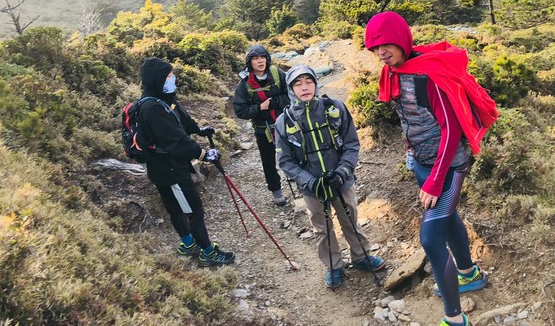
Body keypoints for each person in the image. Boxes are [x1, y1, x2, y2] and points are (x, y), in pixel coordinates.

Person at [364, 11, 498, 326]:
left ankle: (455, 319)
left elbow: (451, 130)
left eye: (385, 44)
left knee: (430, 238)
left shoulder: (427, 76)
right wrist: (413, 155)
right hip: (423, 162)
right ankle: (469, 274)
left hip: (447, 167)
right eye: (374, 47)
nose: (380, 52)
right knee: (448, 219)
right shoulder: (397, 71)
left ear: (400, 40)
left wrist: (435, 182)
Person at [274, 64, 385, 289]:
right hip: (311, 188)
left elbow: (352, 143)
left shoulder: (334, 108)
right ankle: (334, 266)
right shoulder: (283, 122)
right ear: (290, 88)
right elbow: (285, 161)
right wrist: (309, 181)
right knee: (321, 228)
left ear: (315, 83)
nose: (304, 88)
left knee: (350, 219)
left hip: (341, 180)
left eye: (308, 82)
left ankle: (361, 257)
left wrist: (344, 170)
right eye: (298, 84)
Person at [139, 56, 235, 266]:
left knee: (177, 207)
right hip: (169, 170)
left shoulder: (164, 99)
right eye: (168, 76)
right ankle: (207, 252)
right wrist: (202, 154)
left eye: (172, 75)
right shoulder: (152, 108)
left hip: (167, 167)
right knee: (192, 209)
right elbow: (175, 141)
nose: (172, 79)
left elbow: (182, 121)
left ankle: (189, 243)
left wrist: (198, 130)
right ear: (157, 79)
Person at [233, 44, 290, 206]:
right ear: (249, 62)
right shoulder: (244, 85)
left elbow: (291, 94)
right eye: (256, 58)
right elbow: (240, 111)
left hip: (284, 123)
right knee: (268, 161)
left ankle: (302, 181)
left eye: (263, 57)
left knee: (294, 152)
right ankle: (276, 190)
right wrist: (259, 107)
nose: (260, 61)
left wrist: (274, 102)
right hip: (262, 129)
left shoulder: (277, 74)